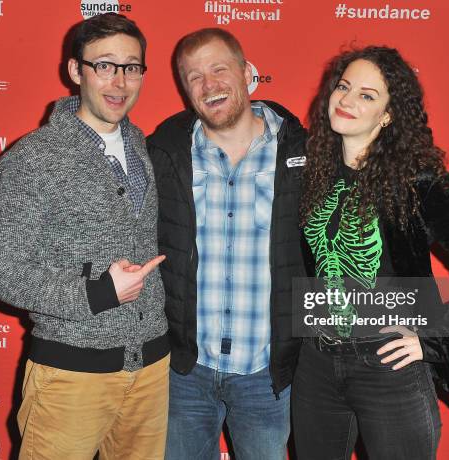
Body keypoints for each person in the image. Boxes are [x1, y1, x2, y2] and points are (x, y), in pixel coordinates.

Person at [293, 46, 449, 460]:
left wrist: (435, 340)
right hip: (316, 364)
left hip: (388, 366)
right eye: (344, 87)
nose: (348, 100)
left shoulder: (417, 181)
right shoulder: (311, 169)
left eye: (368, 95)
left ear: (388, 116)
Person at [0, 13, 170, 459]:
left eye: (131, 67)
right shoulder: (34, 158)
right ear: (75, 71)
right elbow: (1, 273)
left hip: (150, 370)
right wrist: (100, 292)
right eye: (104, 65)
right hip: (71, 375)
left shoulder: (141, 147)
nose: (119, 80)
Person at [147, 28, 307, 460]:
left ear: (247, 72)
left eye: (219, 69)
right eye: (194, 77)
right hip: (184, 372)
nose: (209, 84)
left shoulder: (306, 155)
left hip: (267, 375)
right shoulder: (162, 155)